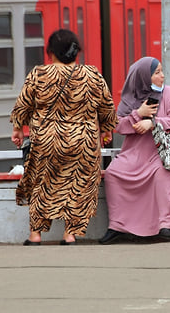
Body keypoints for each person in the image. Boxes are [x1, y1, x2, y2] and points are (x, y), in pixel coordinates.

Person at [10, 29, 117, 245]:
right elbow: (107, 107)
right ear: (76, 52)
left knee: (42, 184)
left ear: (51, 52)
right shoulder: (92, 75)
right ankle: (70, 234)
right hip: (83, 142)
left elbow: (23, 104)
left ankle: (36, 235)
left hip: (48, 141)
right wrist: (106, 129)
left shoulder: (38, 75)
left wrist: (18, 129)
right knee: (79, 185)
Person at [101, 57, 170, 244]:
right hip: (134, 153)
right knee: (114, 173)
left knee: (160, 173)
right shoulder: (129, 100)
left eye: (162, 72)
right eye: (157, 73)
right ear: (142, 78)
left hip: (158, 152)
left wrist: (153, 123)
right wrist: (138, 114)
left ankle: (166, 224)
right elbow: (119, 126)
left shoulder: (169, 94)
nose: (162, 76)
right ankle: (117, 226)